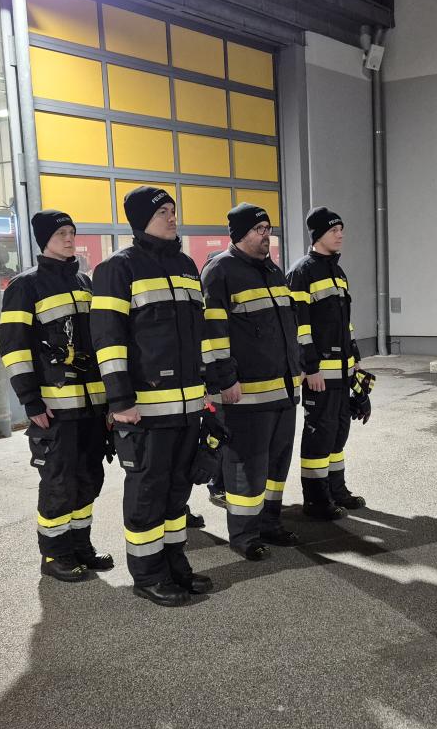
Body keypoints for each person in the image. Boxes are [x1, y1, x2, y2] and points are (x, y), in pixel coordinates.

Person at [90, 187, 211, 606]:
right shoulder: (117, 268)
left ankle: (175, 564)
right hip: (145, 409)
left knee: (178, 491)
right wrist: (120, 400)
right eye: (163, 212)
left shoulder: (186, 265)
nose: (173, 217)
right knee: (147, 492)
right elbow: (108, 339)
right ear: (142, 218)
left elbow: (200, 334)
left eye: (174, 210)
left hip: (188, 405)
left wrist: (209, 389)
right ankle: (147, 574)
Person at [0, 210, 113, 583]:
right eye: (61, 233)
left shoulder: (84, 282)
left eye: (72, 232)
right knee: (59, 481)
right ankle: (55, 554)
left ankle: (80, 545)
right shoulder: (24, 286)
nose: (69, 239)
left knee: (89, 477)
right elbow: (13, 348)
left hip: (92, 405)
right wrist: (30, 400)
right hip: (55, 408)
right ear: (44, 239)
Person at [200, 203, 302, 561]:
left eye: (268, 228)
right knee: (246, 466)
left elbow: (287, 328)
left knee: (276, 465)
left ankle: (270, 523)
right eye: (259, 229)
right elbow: (213, 333)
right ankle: (244, 535)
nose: (266, 235)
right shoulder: (220, 271)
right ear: (240, 234)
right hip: (245, 395)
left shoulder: (272, 270)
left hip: (283, 391)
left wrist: (298, 370)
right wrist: (225, 379)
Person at [287, 206, 366, 520]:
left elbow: (345, 324)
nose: (340, 235)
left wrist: (355, 361)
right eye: (334, 230)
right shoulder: (302, 272)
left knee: (337, 433)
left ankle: (337, 491)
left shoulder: (337, 272)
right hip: (320, 374)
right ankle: (316, 500)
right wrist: (311, 368)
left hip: (343, 372)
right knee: (319, 435)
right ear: (318, 235)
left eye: (341, 229)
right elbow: (299, 326)